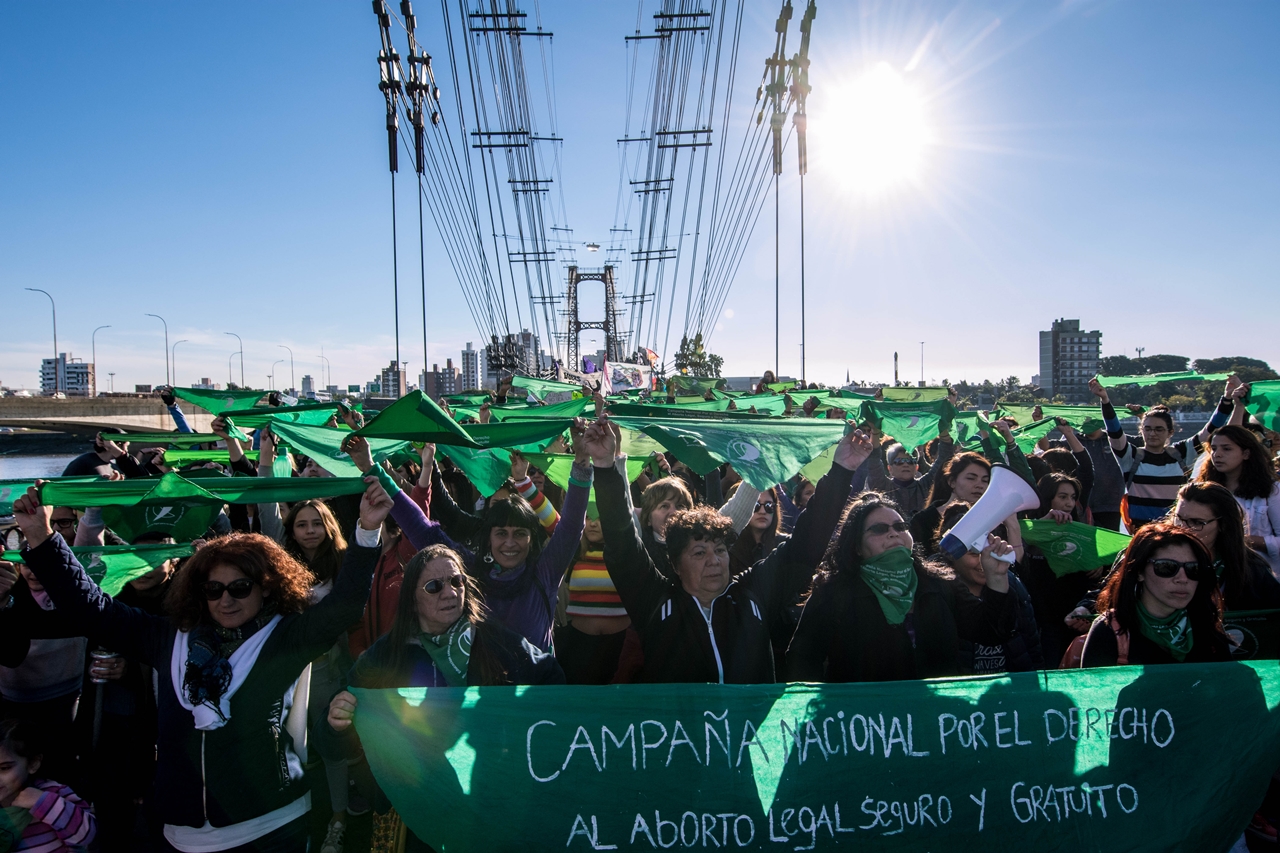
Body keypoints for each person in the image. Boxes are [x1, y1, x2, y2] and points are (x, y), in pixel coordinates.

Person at [9, 478, 389, 853]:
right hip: (183, 831)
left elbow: (344, 606)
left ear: (266, 587)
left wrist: (368, 530)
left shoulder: (285, 638)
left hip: (271, 825)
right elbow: (92, 610)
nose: (226, 600)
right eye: (213, 589)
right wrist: (41, 537)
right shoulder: (166, 637)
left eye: (240, 588)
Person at [588, 420, 873, 684]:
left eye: (720, 550)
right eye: (699, 553)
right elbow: (622, 541)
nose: (714, 561)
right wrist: (604, 466)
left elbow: (805, 545)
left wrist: (842, 470)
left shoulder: (753, 595)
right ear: (676, 564)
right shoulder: (655, 603)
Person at [324, 544, 562, 852]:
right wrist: (336, 724)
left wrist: (521, 736)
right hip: (418, 809)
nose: (449, 593)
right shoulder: (386, 656)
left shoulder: (495, 642)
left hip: (488, 798)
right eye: (434, 587)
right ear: (411, 600)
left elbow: (551, 678)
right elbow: (332, 735)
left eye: (456, 581)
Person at [369, 420, 592, 652]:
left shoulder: (545, 573)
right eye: (501, 533)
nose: (509, 543)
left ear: (530, 538)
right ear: (488, 538)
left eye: (519, 533)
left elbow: (572, 525)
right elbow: (422, 531)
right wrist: (370, 467)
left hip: (539, 676)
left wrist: (582, 459)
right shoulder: (472, 571)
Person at [786, 492, 1017, 682]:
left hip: (935, 715)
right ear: (856, 546)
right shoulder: (834, 593)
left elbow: (992, 632)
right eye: (879, 529)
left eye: (900, 526)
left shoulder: (940, 583)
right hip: (866, 721)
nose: (893, 533)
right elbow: (802, 660)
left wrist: (997, 577)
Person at [1089, 376, 1236, 529]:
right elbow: (1114, 431)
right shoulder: (1130, 456)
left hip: (1175, 531)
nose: (1152, 434)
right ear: (1141, 430)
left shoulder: (1182, 453)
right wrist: (1105, 400)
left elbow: (1211, 429)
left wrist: (1226, 398)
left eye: (1159, 429)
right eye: (1148, 429)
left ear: (1170, 432)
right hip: (1141, 532)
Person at [1081, 522, 1231, 666]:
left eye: (1193, 569)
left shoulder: (1206, 627)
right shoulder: (1108, 630)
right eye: (1166, 567)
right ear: (1139, 572)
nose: (1182, 579)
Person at [935, 503, 1043, 674]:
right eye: (974, 553)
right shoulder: (937, 594)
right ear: (952, 555)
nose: (984, 561)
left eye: (989, 551)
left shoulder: (1013, 585)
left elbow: (1031, 646)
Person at [1197, 424, 1280, 577]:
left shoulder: (1271, 490)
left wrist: (1244, 540)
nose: (1217, 454)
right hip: (1213, 573)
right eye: (1214, 449)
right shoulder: (1203, 489)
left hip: (1258, 574)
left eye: (1226, 449)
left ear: (1246, 453)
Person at [0, 719, 95, 851]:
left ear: (33, 763)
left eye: (4, 768)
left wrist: (44, 803)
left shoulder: (52, 793)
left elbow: (86, 835)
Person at [909, 452, 992, 551]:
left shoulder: (991, 520)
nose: (979, 485)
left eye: (985, 480)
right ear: (952, 481)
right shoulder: (922, 521)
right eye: (971, 478)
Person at [866, 430, 954, 522]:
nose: (905, 465)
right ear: (890, 468)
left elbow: (944, 458)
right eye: (899, 462)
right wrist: (875, 432)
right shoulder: (883, 486)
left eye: (911, 461)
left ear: (916, 468)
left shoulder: (925, 485)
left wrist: (944, 431)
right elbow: (873, 459)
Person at [727, 487, 784, 576]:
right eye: (755, 505)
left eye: (769, 505)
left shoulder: (783, 544)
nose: (762, 511)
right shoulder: (726, 548)